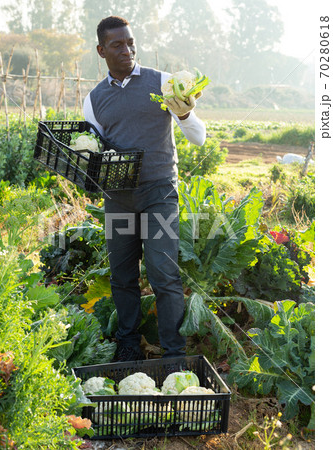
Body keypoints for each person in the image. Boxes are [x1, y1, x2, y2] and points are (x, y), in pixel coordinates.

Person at [83, 15, 206, 361]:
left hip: (158, 193)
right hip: (118, 198)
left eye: (131, 42)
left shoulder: (163, 83)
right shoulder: (93, 100)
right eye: (118, 44)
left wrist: (184, 115)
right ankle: (128, 344)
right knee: (122, 276)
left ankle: (173, 352)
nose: (128, 49)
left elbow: (199, 138)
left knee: (163, 273)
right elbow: (92, 151)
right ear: (101, 50)